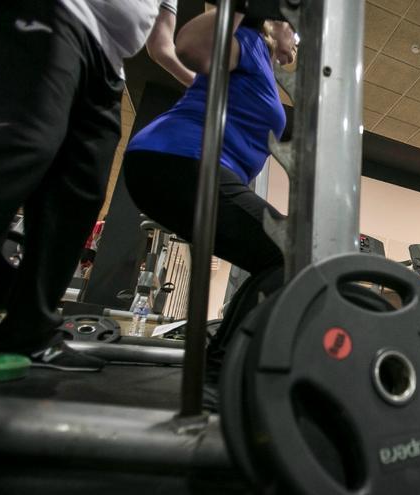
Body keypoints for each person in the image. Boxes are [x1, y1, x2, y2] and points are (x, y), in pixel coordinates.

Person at [0, 0, 189, 372]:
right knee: (19, 149)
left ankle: (30, 333)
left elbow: (161, 45)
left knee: (81, 190)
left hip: (109, 64)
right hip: (54, 15)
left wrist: (201, 85)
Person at [122, 9, 297, 408]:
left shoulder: (260, 63)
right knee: (290, 249)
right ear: (272, 23)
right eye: (294, 29)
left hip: (186, 163)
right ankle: (220, 374)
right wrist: (243, 7)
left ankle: (220, 367)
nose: (297, 41)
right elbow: (189, 47)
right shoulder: (248, 42)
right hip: (179, 158)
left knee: (278, 255)